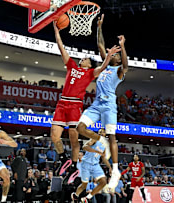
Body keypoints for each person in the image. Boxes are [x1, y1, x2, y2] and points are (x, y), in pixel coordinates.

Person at [51, 20, 121, 184]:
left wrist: (109, 56)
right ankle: (64, 160)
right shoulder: (72, 65)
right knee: (55, 137)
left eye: (85, 58)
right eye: (82, 58)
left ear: (89, 64)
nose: (82, 59)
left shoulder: (91, 73)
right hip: (62, 104)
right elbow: (61, 47)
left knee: (74, 140)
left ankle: (74, 167)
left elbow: (103, 67)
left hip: (75, 105)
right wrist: (56, 32)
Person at [76, 14, 128, 190]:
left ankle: (115, 170)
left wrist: (123, 46)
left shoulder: (118, 72)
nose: (116, 56)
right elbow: (100, 45)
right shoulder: (105, 65)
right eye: (116, 55)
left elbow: (126, 66)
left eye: (118, 56)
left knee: (112, 136)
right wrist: (99, 26)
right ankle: (100, 139)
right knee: (80, 127)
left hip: (108, 106)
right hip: (96, 104)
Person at [71, 129, 112, 203]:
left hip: (95, 165)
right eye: (100, 132)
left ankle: (87, 198)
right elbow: (84, 147)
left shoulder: (105, 145)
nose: (101, 133)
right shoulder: (94, 139)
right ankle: (75, 195)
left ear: (106, 134)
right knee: (84, 185)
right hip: (86, 163)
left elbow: (103, 158)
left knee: (103, 182)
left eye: (103, 132)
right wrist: (97, 151)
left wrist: (110, 167)